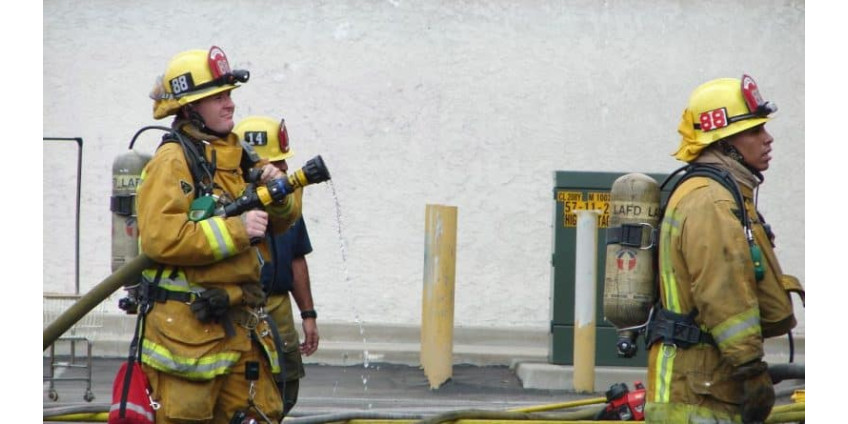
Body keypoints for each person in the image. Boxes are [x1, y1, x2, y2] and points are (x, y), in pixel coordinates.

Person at [136, 46, 302, 423]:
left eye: (229, 94)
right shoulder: (172, 161)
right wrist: (238, 230)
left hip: (239, 327)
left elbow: (284, 221)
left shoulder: (235, 153)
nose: (230, 105)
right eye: (218, 97)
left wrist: (277, 194)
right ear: (190, 108)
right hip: (187, 335)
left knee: (263, 414)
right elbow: (162, 239)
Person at [643, 75, 805, 423]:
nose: (767, 138)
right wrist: (751, 371)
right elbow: (724, 294)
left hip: (704, 387)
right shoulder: (711, 201)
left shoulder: (722, 193)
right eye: (754, 131)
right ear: (723, 143)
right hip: (697, 395)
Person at [233, 116, 320, 416]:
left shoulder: (287, 203)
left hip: (279, 307)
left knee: (287, 387)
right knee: (241, 391)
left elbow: (297, 257)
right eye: (278, 163)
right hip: (238, 307)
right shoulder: (229, 204)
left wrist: (308, 315)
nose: (285, 170)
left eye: (285, 163)